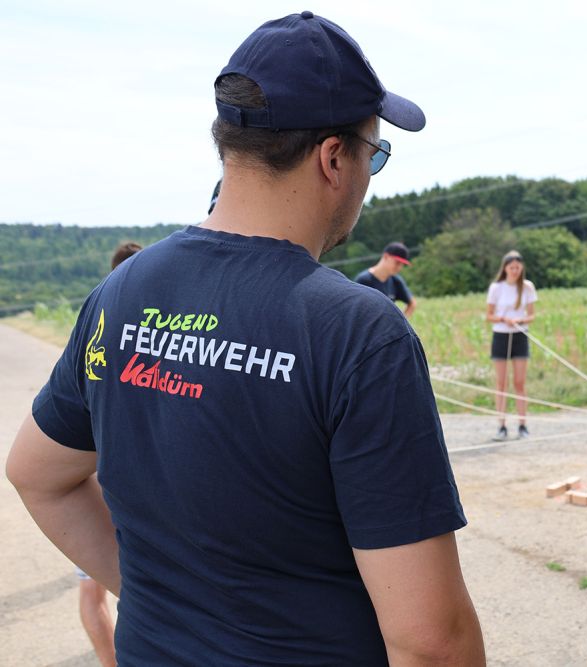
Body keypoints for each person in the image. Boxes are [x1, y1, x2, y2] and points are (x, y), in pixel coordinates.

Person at [7, 12, 484, 665]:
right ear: (333, 158)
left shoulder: (119, 293)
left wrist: (163, 602)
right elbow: (432, 642)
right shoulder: (357, 332)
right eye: (374, 154)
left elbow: (37, 474)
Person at [74, 241, 144, 667]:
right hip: (139, 486)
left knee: (93, 591)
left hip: (102, 479)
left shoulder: (97, 323)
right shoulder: (158, 332)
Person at [486, 250, 537, 441]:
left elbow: (532, 315)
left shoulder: (527, 287)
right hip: (501, 336)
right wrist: (502, 319)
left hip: (520, 335)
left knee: (519, 382)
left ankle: (523, 425)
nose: (515, 270)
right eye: (511, 267)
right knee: (501, 383)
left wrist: (520, 320)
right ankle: (501, 426)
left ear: (521, 268)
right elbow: (489, 315)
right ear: (505, 268)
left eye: (517, 267)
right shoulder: (496, 288)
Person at [354, 241, 417, 318]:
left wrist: (400, 322)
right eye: (397, 263)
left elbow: (412, 304)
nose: (399, 268)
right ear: (386, 256)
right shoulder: (364, 280)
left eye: (402, 265)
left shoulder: (396, 281)